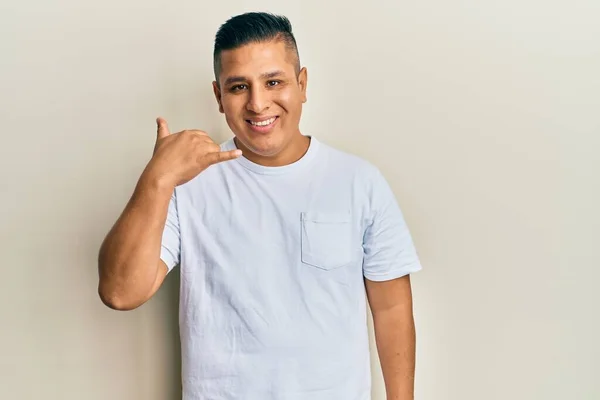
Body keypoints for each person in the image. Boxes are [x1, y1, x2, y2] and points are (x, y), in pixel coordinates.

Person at [98, 11, 422, 400]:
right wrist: (157, 178)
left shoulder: (359, 181)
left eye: (274, 82)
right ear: (219, 97)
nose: (258, 103)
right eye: (238, 87)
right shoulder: (186, 183)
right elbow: (119, 292)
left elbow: (391, 311)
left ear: (302, 84)